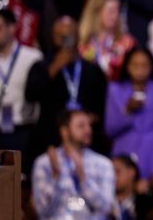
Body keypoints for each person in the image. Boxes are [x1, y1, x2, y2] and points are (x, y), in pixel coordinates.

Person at [26, 16, 108, 168]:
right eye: (61, 36)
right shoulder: (42, 66)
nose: (66, 40)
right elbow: (30, 94)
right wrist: (54, 68)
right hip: (50, 138)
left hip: (86, 141)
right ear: (52, 37)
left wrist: (83, 123)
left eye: (69, 35)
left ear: (77, 36)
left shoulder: (93, 70)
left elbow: (101, 108)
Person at [32, 109, 115, 220]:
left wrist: (83, 180)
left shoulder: (103, 164)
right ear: (64, 131)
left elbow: (106, 208)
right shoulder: (45, 162)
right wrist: (55, 177)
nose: (88, 130)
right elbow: (41, 209)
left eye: (89, 125)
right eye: (81, 126)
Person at [105, 47, 153, 179]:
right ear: (127, 66)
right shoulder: (115, 90)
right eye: (135, 65)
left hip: (151, 155)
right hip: (123, 153)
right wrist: (127, 111)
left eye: (144, 65)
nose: (140, 70)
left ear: (151, 67)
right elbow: (110, 129)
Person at [0, 10, 42, 152]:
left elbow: (39, 99)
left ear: (12, 27)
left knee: (19, 173)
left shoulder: (32, 58)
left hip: (22, 130)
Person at [78, 0, 136, 80]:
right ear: (96, 13)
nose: (115, 16)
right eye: (111, 11)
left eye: (118, 11)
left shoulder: (127, 43)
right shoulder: (82, 45)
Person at [111, 154, 153, 220]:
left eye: (117, 171)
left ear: (131, 172)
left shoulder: (146, 203)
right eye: (110, 172)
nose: (112, 176)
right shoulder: (103, 201)